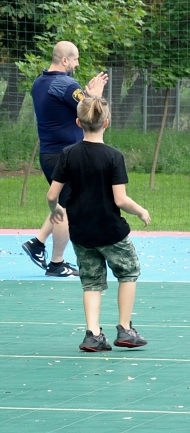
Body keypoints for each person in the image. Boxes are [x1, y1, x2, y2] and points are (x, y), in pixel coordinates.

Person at [47, 96, 151, 351]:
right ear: (107, 122)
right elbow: (120, 199)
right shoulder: (113, 156)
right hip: (110, 230)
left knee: (91, 282)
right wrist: (140, 211)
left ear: (77, 122)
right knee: (128, 272)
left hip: (81, 232)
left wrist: (56, 210)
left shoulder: (68, 154)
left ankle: (93, 334)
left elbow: (52, 195)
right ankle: (125, 329)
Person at [22, 41, 108, 277]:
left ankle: (37, 243)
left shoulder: (39, 83)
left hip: (49, 154)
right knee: (67, 209)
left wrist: (87, 96)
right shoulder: (67, 85)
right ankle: (57, 263)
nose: (77, 64)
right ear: (64, 61)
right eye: (76, 59)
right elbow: (93, 117)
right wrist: (94, 97)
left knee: (65, 202)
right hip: (65, 156)